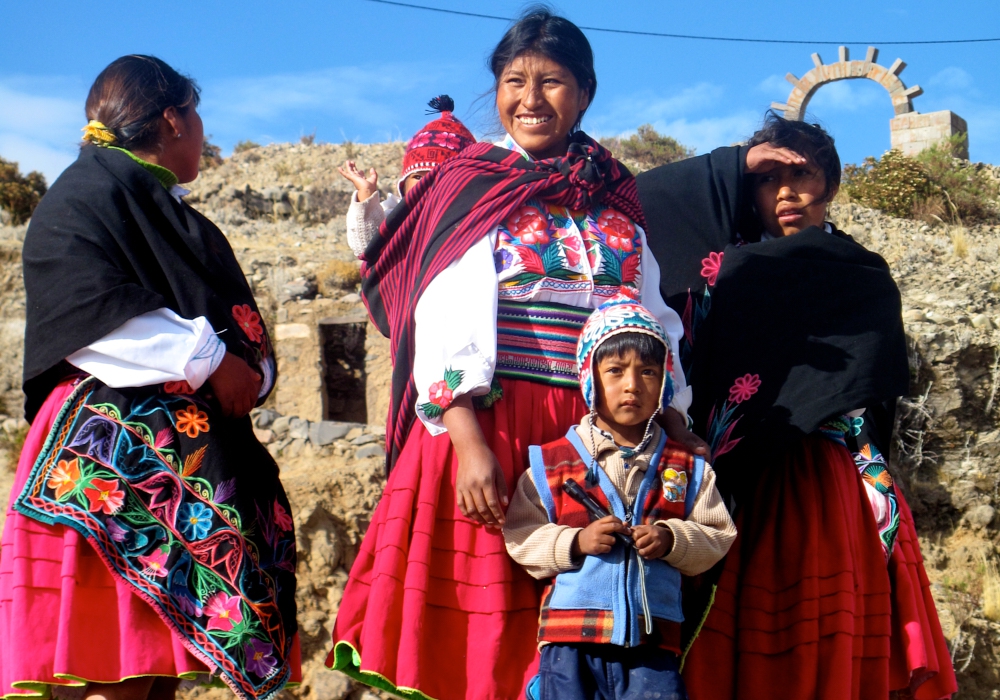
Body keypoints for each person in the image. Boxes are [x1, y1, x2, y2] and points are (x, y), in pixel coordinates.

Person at [327, 8, 707, 700]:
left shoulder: (616, 200)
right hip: (497, 427)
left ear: (586, 92)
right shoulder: (475, 185)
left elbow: (652, 315)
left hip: (601, 444)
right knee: (495, 637)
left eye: (553, 82)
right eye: (514, 81)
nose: (531, 99)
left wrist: (675, 417)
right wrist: (468, 440)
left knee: (592, 636)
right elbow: (446, 313)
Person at [0, 55, 299, 700]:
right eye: (197, 117)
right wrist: (213, 361)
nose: (202, 135)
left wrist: (239, 365)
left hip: (169, 462)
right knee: (114, 672)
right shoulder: (82, 200)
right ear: (174, 118)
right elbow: (92, 314)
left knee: (153, 673)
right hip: (110, 464)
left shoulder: (150, 206)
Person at [636, 113, 957, 699]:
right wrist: (735, 162)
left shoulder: (862, 276)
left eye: (803, 174)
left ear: (830, 186)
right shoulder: (722, 271)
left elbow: (874, 397)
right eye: (766, 179)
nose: (785, 192)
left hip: (822, 486)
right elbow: (644, 199)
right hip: (727, 487)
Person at [503, 298, 735, 700]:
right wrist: (575, 542)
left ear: (665, 381)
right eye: (615, 371)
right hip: (570, 643)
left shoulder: (685, 467)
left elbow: (718, 534)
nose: (632, 385)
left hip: (653, 646)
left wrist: (670, 539)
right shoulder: (554, 462)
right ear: (590, 379)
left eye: (648, 372)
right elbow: (521, 536)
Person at [339, 95, 476, 258]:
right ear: (403, 186)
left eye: (441, 178)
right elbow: (365, 246)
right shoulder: (396, 217)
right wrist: (366, 194)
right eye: (418, 177)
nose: (427, 185)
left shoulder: (473, 219)